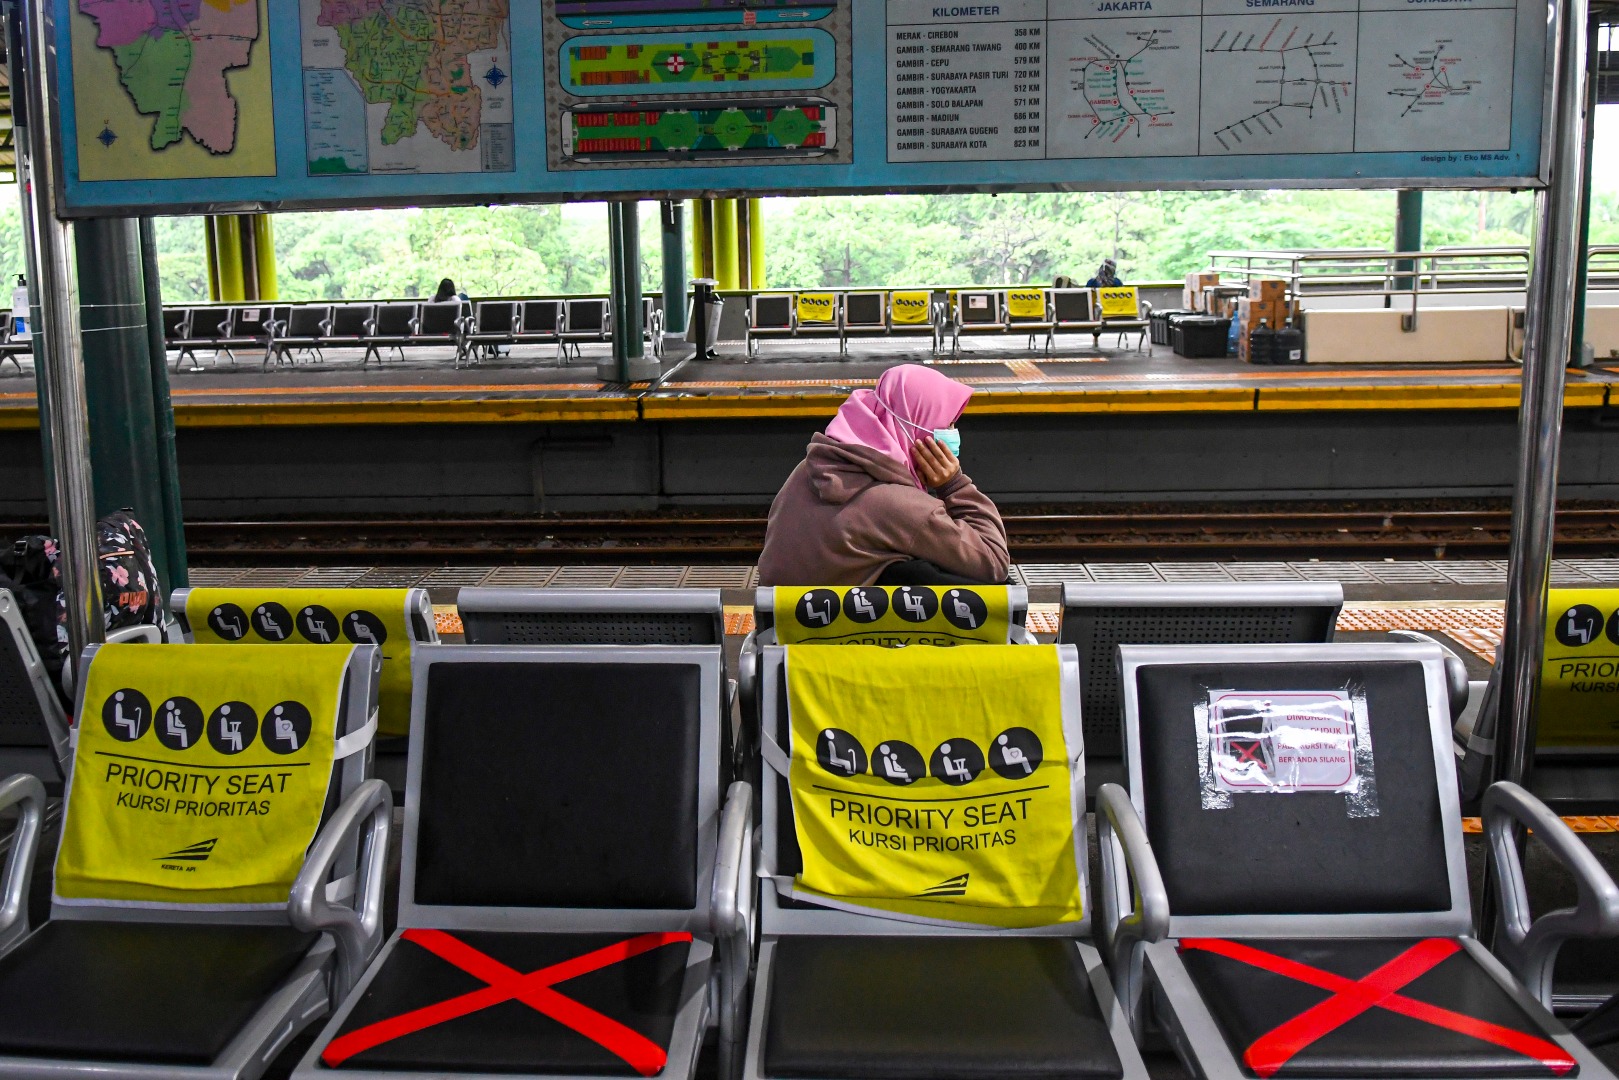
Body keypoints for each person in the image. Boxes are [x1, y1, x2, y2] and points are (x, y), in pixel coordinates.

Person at [757, 364, 1009, 586]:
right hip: (838, 636)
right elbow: (994, 562)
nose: (953, 433)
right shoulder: (901, 507)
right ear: (913, 426)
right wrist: (954, 485)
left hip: (780, 628)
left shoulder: (807, 469)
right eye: (947, 425)